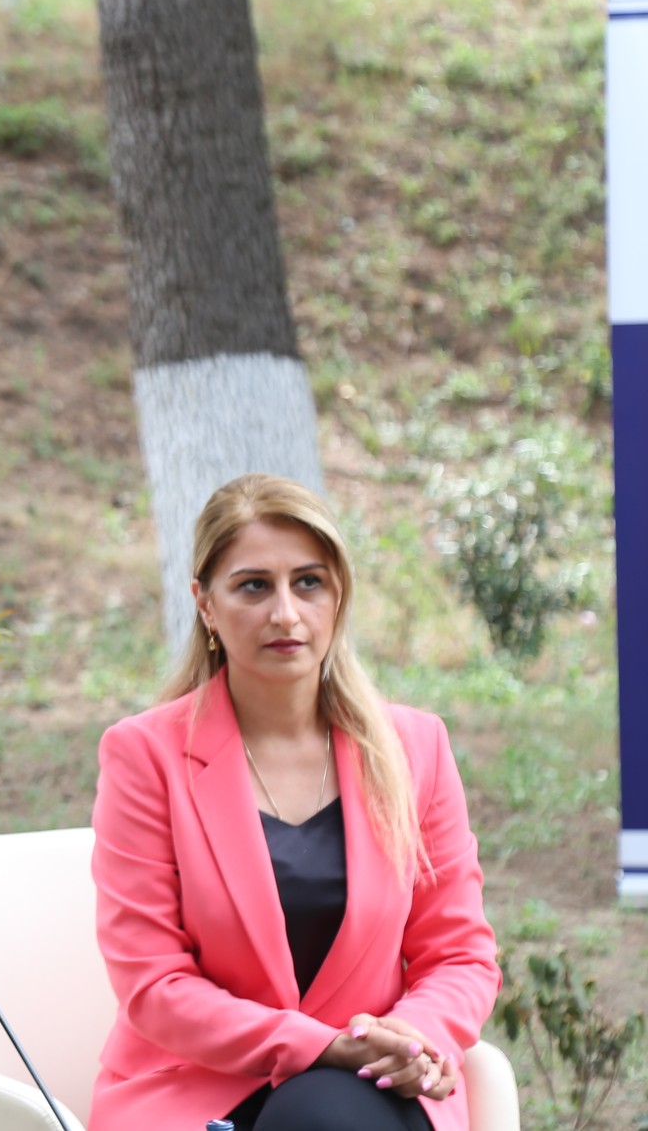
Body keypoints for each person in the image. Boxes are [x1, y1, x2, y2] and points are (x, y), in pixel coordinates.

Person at [90, 474, 500, 1131]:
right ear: (205, 605)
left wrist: (413, 1036)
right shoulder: (146, 756)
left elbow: (458, 953)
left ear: (338, 597)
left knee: (322, 1115)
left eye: (308, 582)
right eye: (254, 586)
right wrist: (321, 1045)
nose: (285, 613)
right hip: (201, 1087)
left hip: (377, 1081)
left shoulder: (415, 747)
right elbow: (153, 984)